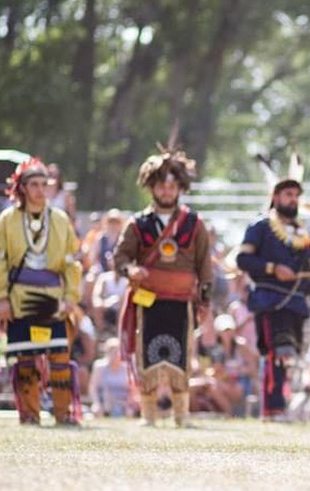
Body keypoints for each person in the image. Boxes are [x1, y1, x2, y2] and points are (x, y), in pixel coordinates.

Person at [114, 148, 213, 427]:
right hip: (148, 300)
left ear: (180, 187)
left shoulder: (194, 224)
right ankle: (149, 415)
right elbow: (120, 257)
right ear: (151, 187)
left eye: (172, 185)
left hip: (181, 300)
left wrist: (204, 300)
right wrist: (130, 270)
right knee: (148, 355)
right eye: (161, 185)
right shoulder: (138, 224)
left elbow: (204, 265)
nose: (167, 190)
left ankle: (182, 415)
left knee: (181, 357)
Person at [0, 158, 83, 425]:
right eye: (34, 184)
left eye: (44, 184)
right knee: (26, 359)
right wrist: (3, 298)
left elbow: (70, 263)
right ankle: (29, 414)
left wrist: (70, 298)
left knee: (60, 358)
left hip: (52, 297)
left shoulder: (60, 219)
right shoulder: (8, 219)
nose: (41, 190)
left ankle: (64, 414)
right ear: (22, 188)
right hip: (19, 296)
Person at [235, 178, 310, 421]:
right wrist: (274, 268)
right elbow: (243, 261)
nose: (293, 199)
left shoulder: (303, 233)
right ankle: (272, 410)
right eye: (288, 194)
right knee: (277, 353)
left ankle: (280, 407)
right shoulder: (260, 226)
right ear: (275, 197)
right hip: (269, 300)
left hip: (296, 304)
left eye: (296, 195)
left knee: (289, 356)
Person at [89, 337, 139, 417]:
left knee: (130, 412)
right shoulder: (99, 366)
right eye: (111, 351)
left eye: (117, 351)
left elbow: (133, 389)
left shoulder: (128, 367)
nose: (114, 354)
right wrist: (96, 403)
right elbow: (93, 387)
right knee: (97, 410)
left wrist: (129, 403)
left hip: (124, 402)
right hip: (105, 401)